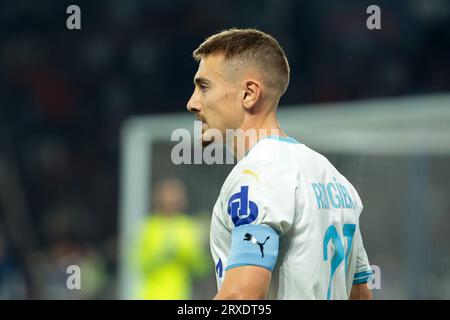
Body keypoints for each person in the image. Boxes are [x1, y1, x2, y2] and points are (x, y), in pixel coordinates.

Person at [186, 28, 373, 300]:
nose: (192, 103)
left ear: (249, 94)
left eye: (204, 86)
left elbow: (241, 297)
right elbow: (360, 295)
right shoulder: (336, 180)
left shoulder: (258, 175)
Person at [133, 177, 209, 299]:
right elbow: (139, 263)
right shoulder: (149, 227)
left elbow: (201, 266)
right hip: (151, 295)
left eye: (174, 198)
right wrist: (161, 254)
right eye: (167, 196)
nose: (170, 201)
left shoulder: (187, 226)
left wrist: (189, 249)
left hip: (179, 295)